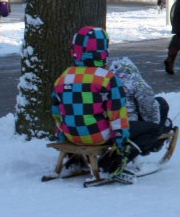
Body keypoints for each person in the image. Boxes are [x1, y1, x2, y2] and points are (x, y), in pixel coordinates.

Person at [51, 27, 136, 184]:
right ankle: (112, 165)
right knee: (144, 130)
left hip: (71, 134)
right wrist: (121, 141)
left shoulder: (63, 77)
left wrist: (62, 135)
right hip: (98, 135)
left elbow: (57, 112)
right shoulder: (108, 79)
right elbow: (117, 114)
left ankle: (75, 160)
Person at [109, 56, 174, 156]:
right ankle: (149, 145)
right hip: (127, 124)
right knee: (161, 104)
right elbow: (149, 109)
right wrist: (154, 127)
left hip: (107, 124)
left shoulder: (106, 80)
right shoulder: (136, 82)